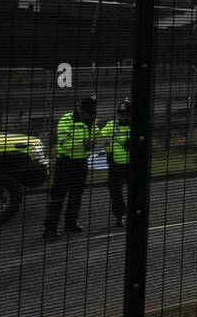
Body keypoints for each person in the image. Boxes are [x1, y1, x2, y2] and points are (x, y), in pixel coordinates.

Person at [44, 95, 100, 239]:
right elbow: (63, 142)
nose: (90, 116)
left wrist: (96, 141)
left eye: (92, 113)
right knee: (58, 196)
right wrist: (83, 143)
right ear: (81, 111)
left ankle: (71, 223)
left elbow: (97, 136)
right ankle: (50, 229)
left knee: (76, 195)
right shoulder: (67, 119)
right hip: (65, 163)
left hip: (81, 163)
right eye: (88, 113)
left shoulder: (92, 122)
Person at [99, 99, 132, 228]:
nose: (123, 116)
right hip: (116, 165)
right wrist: (109, 147)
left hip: (131, 166)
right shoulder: (111, 125)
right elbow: (101, 140)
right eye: (121, 114)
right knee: (115, 192)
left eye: (126, 114)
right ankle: (119, 216)